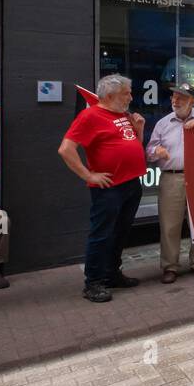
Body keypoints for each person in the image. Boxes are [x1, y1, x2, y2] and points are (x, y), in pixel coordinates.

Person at [58, 74, 146, 303]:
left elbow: (132, 145)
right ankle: (93, 283)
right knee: (102, 234)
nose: (131, 97)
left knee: (121, 231)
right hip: (109, 187)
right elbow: (66, 149)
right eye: (126, 93)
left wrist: (139, 130)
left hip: (131, 183)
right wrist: (88, 175)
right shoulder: (90, 116)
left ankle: (111, 274)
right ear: (109, 95)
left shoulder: (123, 115)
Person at [146, 84, 194, 283]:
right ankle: (170, 266)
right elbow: (149, 150)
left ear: (192, 101)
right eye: (173, 97)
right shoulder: (163, 123)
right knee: (169, 224)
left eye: (180, 98)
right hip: (171, 177)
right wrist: (155, 152)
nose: (175, 101)